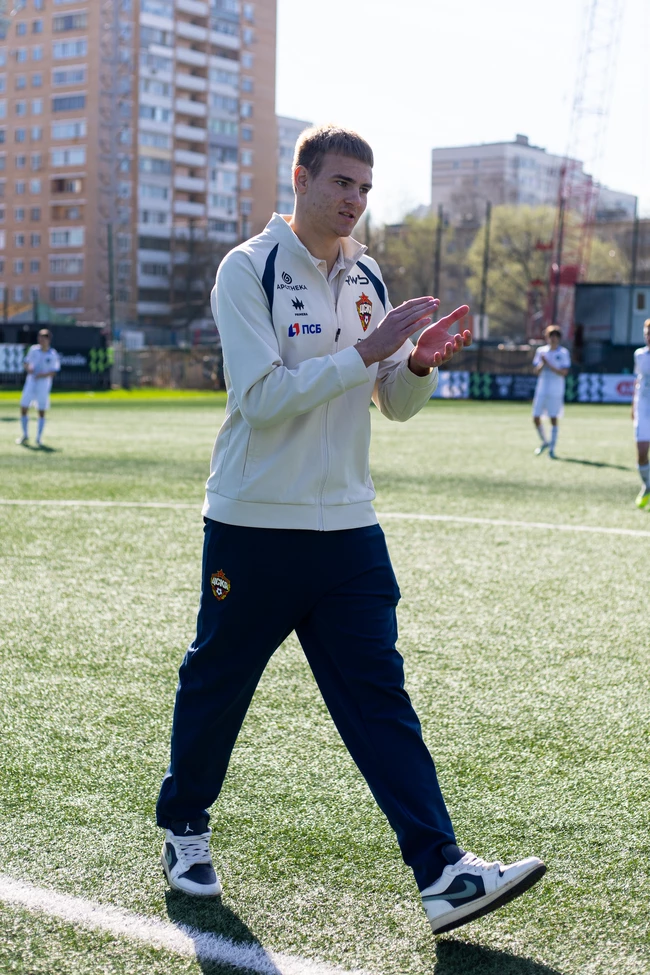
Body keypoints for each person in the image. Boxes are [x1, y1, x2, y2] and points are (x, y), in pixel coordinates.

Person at [156, 125, 545, 936]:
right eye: (341, 182)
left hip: (350, 531)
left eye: (365, 188)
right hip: (255, 524)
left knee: (379, 698)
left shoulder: (366, 274)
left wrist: (417, 364)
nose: (354, 200)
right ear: (300, 178)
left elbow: (391, 404)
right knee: (218, 682)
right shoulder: (248, 268)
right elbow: (261, 398)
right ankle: (184, 825)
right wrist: (368, 349)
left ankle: (442, 871)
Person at [531, 325, 571, 458]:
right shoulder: (541, 351)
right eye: (551, 336)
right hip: (542, 388)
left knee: (553, 418)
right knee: (535, 417)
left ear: (559, 338)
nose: (553, 339)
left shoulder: (563, 353)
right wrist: (543, 364)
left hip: (556, 390)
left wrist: (549, 364)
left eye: (555, 336)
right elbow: (536, 371)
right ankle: (545, 441)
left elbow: (563, 372)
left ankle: (552, 449)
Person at [16, 328, 61, 447]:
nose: (41, 340)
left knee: (41, 410)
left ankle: (38, 438)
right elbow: (26, 363)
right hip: (31, 382)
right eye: (40, 338)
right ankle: (25, 435)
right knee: (24, 406)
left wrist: (42, 375)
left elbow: (54, 371)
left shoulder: (53, 354)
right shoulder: (33, 350)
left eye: (43, 338)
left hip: (43, 384)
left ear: (48, 340)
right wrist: (29, 368)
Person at [632, 318, 650, 508]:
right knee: (642, 452)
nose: (649, 337)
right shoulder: (639, 355)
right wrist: (633, 407)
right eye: (647, 334)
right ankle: (647, 485)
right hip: (643, 408)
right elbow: (638, 380)